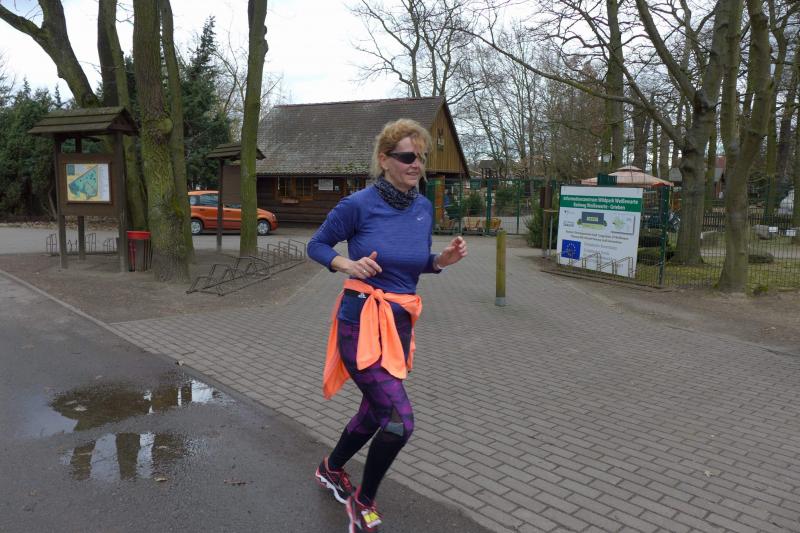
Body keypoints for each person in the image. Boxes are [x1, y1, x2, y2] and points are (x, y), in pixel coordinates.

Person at [307, 118, 467, 532]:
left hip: (398, 325)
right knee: (398, 420)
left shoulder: (423, 208)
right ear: (384, 159)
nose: (417, 165)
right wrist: (346, 264)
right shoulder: (358, 205)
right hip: (360, 322)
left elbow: (415, 264)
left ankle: (330, 468)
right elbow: (316, 245)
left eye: (422, 158)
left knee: (375, 409)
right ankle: (363, 501)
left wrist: (440, 261)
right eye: (408, 156)